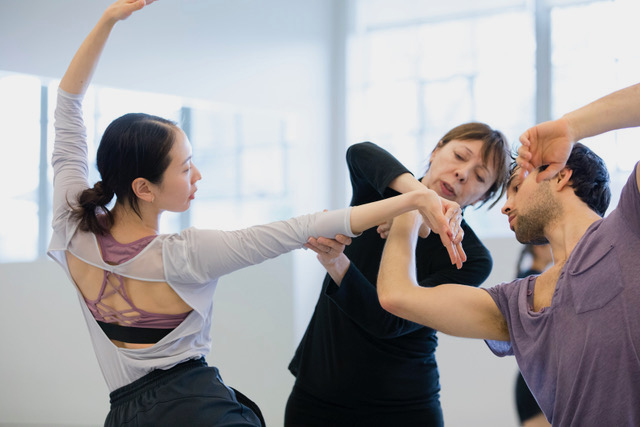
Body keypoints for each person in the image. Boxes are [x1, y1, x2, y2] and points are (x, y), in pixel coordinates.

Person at [47, 1, 466, 425]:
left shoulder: (69, 228)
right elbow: (303, 226)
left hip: (125, 416)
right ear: (144, 188)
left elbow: (68, 107)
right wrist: (415, 199)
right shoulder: (184, 254)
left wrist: (106, 21)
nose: (197, 175)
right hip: (197, 407)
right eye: (185, 166)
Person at [377, 82, 640, 425]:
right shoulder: (517, 305)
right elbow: (397, 296)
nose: (506, 206)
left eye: (515, 186)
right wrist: (413, 203)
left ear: (558, 175)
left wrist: (570, 127)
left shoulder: (628, 228)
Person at [285, 125, 511, 425]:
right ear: (436, 150)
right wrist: (418, 202)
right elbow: (360, 151)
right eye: (459, 155)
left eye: (480, 176)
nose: (462, 173)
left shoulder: (470, 256)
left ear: (482, 197)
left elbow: (388, 320)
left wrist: (338, 263)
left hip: (402, 407)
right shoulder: (382, 193)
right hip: (317, 393)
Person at [513, 244, 552, 427]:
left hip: (540, 379)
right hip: (536, 383)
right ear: (538, 247)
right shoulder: (532, 283)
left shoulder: (533, 279)